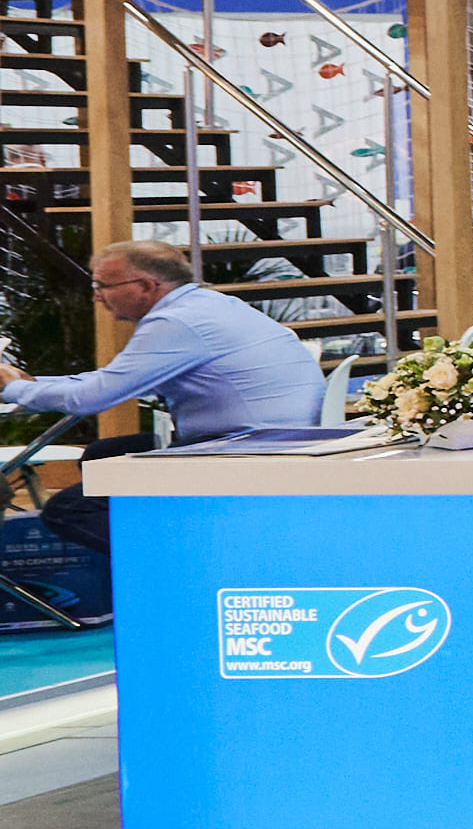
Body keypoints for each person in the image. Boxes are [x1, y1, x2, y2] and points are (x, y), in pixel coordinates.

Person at [4, 240, 331, 587]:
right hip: (270, 440)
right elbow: (118, 380)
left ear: (147, 285)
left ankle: (196, 574)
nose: (96, 297)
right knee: (102, 454)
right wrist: (30, 384)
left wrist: (13, 389)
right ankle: (139, 571)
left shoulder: (176, 323)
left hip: (244, 452)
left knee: (71, 508)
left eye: (103, 285)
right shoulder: (210, 305)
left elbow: (91, 398)